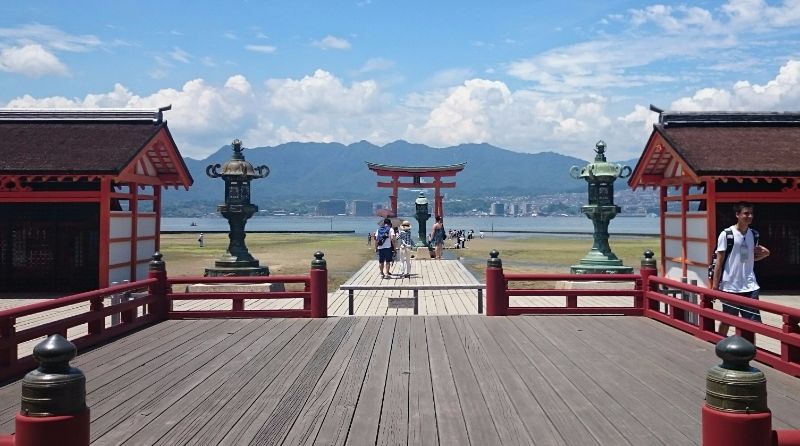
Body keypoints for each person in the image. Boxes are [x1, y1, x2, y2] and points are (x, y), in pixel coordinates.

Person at [712, 201, 770, 337]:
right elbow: (719, 262)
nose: (749, 216)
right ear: (737, 215)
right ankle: (720, 343)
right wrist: (715, 287)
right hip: (730, 286)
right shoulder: (726, 234)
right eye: (746, 213)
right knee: (727, 320)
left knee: (751, 324)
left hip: (750, 285)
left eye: (751, 213)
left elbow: (749, 259)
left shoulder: (754, 234)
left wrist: (766, 254)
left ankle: (749, 351)